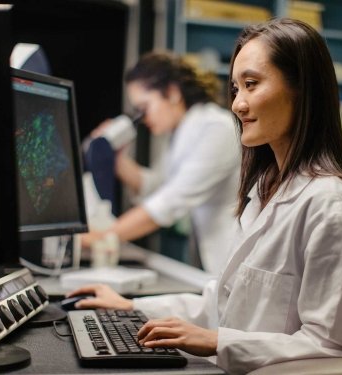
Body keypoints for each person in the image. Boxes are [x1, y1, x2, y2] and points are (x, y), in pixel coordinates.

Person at [68, 18, 342, 374]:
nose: (237, 104)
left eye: (251, 84)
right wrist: (133, 309)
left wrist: (218, 340)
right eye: (236, 89)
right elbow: (222, 301)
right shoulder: (266, 191)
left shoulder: (331, 206)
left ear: (302, 88)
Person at [84, 52, 241, 275]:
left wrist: (101, 236)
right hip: (214, 257)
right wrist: (116, 159)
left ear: (172, 93)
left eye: (144, 107)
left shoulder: (217, 128)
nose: (143, 118)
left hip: (235, 255)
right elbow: (157, 187)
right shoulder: (181, 135)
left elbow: (170, 201)